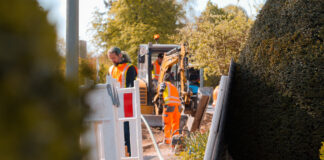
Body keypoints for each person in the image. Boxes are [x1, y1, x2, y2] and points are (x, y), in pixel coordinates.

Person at [107, 47, 137, 156]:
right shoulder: (111, 69)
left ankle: (129, 153)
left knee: (127, 130)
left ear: (120, 55)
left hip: (127, 103)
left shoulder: (130, 68)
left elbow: (131, 86)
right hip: (115, 103)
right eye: (111, 59)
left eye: (114, 58)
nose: (112, 61)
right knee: (116, 129)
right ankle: (119, 153)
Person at [158, 72, 181, 148]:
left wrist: (160, 103)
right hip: (177, 108)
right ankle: (175, 143)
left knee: (167, 124)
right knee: (175, 124)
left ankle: (167, 141)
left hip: (169, 106)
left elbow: (161, 92)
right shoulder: (174, 87)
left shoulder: (164, 83)